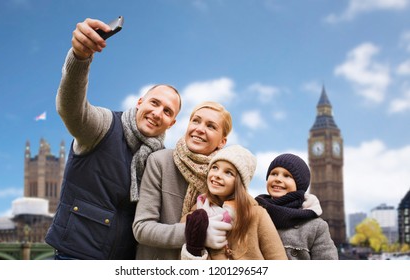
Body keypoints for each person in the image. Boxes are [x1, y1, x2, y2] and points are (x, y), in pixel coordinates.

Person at [45, 18, 182, 260]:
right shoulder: (104, 126)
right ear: (140, 102)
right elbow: (71, 108)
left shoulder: (161, 160)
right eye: (154, 102)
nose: (157, 113)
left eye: (167, 111)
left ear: (172, 123)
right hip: (76, 256)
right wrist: (79, 57)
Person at [132, 101, 234, 259]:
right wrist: (196, 232)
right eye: (196, 121)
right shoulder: (160, 161)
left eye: (211, 126)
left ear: (222, 142)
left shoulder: (226, 179)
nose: (199, 129)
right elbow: (142, 228)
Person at [181, 145, 288, 260]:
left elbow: (278, 259)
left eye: (228, 173)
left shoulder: (257, 215)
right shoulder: (194, 216)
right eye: (215, 167)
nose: (217, 175)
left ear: (239, 183)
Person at [255, 153, 339, 260]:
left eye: (287, 176)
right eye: (274, 174)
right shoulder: (250, 215)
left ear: (300, 185)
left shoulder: (316, 227)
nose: (278, 179)